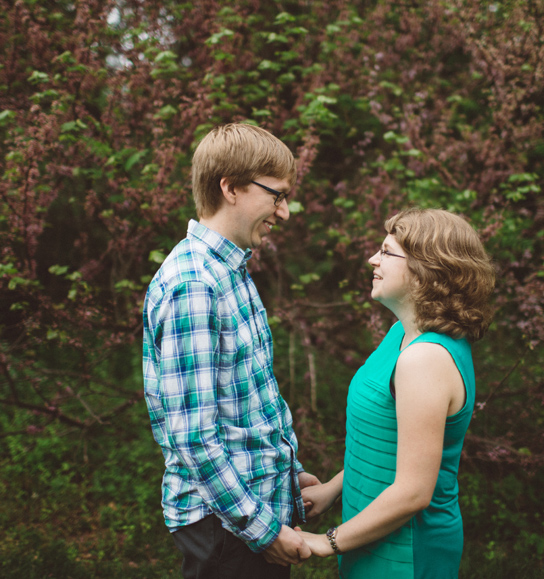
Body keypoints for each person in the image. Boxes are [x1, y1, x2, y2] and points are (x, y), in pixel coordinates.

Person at [142, 122, 318, 578]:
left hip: (246, 514)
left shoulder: (230, 270)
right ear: (232, 187)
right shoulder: (195, 284)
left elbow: (245, 402)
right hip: (227, 532)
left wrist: (288, 475)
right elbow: (195, 437)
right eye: (276, 195)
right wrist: (265, 531)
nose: (284, 212)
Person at [299, 208, 496, 578]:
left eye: (387, 252)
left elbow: (413, 491)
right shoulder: (403, 335)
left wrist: (325, 542)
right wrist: (331, 490)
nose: (372, 259)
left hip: (406, 550)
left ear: (427, 269)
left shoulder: (426, 358)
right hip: (370, 529)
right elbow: (390, 443)